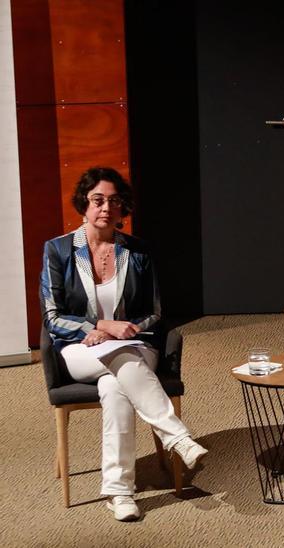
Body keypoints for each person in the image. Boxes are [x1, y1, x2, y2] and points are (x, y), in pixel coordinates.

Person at [41, 167, 208, 522]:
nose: (106, 207)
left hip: (133, 346)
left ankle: (118, 492)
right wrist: (100, 325)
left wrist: (125, 330)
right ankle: (177, 436)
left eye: (114, 201)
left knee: (115, 386)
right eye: (98, 200)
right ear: (84, 205)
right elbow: (53, 316)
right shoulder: (58, 251)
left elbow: (155, 312)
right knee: (116, 361)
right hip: (80, 348)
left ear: (122, 207)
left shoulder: (138, 251)